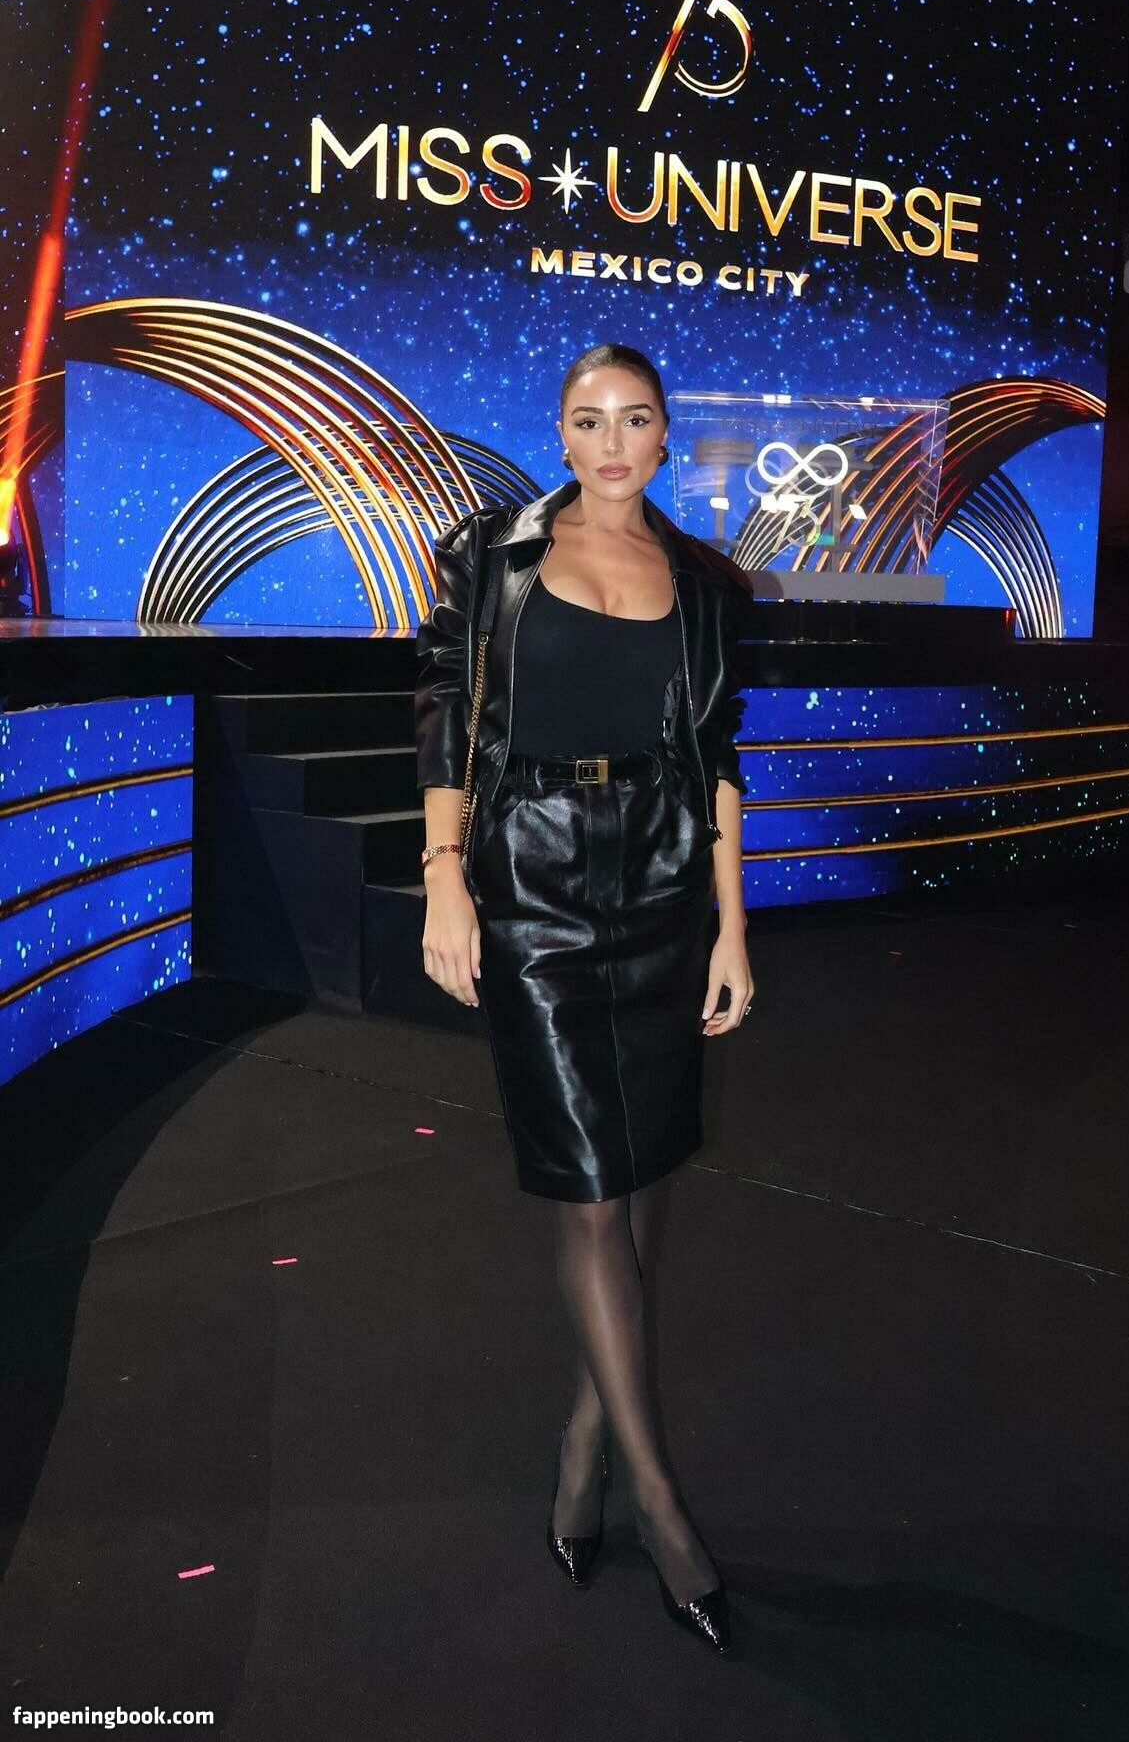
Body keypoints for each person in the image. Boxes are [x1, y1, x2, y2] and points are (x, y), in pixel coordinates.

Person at [413, 343, 755, 1657]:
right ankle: (660, 1508)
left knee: (646, 1175)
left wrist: (732, 929)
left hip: (663, 888)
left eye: (636, 419)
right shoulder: (491, 555)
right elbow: (443, 713)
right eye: (588, 420)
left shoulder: (708, 584)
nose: (612, 443)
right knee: (591, 1192)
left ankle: (581, 1440)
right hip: (535, 888)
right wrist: (446, 879)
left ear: (667, 434)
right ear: (559, 433)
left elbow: (717, 760)